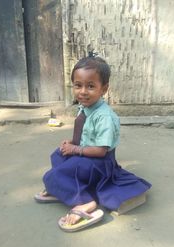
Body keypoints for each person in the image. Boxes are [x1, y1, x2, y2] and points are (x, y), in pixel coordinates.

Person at [35, 53, 151, 232]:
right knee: (58, 155)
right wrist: (72, 144)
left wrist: (75, 149)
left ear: (103, 89)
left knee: (52, 176)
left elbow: (101, 151)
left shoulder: (104, 116)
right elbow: (84, 135)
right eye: (78, 85)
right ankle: (65, 188)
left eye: (90, 86)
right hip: (86, 155)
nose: (83, 91)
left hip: (99, 163)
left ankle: (85, 202)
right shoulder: (85, 107)